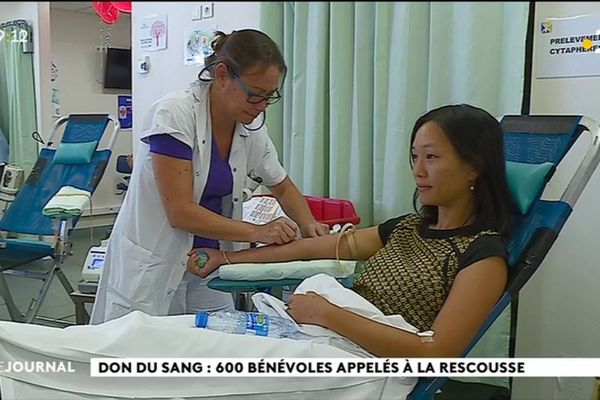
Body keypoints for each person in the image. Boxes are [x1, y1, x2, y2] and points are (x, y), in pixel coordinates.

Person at [187, 104, 515, 357]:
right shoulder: (407, 228)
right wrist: (226, 257)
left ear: (474, 166)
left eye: (431, 157)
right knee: (187, 340)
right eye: (414, 157)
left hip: (364, 362)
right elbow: (309, 248)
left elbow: (436, 351)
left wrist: (329, 314)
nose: (418, 171)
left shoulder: (482, 255)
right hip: (327, 340)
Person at [90, 29, 328, 324]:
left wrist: (309, 225)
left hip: (206, 262)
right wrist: (257, 232)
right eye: (255, 95)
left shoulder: (251, 128)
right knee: (146, 356)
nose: (261, 107)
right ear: (222, 74)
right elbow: (180, 213)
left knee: (213, 348)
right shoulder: (174, 114)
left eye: (270, 97)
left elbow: (282, 185)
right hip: (155, 264)